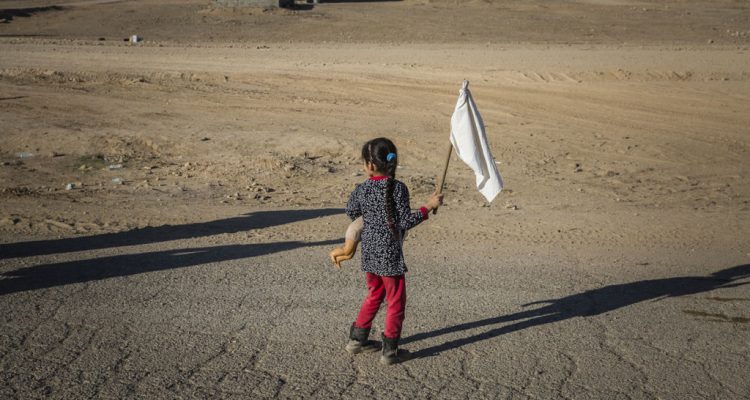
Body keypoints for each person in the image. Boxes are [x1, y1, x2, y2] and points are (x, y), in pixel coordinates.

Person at [343, 137, 443, 365]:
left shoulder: (361, 189)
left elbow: (351, 211)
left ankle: (356, 340)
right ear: (392, 162)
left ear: (368, 165)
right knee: (396, 300)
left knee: (374, 294)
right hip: (389, 254)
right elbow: (406, 221)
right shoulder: (398, 188)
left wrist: (372, 220)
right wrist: (428, 207)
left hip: (369, 252)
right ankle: (389, 351)